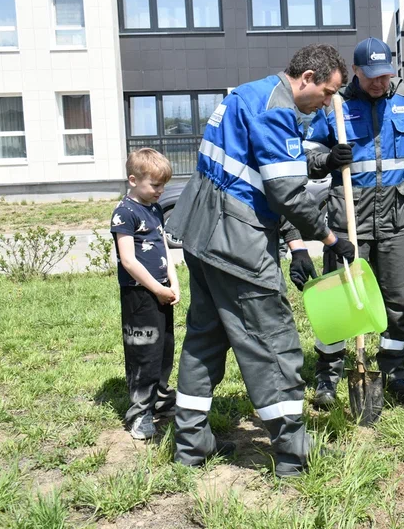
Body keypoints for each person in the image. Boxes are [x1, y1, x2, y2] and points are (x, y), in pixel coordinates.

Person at [166, 44, 357, 478]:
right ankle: (294, 450)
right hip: (237, 241)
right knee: (274, 341)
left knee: (205, 337)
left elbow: (265, 159)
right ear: (307, 77)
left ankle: (191, 444)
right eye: (327, 93)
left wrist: (321, 160)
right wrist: (330, 238)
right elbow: (285, 192)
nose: (327, 104)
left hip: (201, 231)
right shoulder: (277, 109)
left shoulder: (248, 95)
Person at [301, 37, 404, 408]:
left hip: (396, 218)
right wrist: (330, 159)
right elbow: (307, 155)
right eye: (371, 78)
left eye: (385, 76)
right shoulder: (334, 103)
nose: (379, 84)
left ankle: (394, 373)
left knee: (396, 301)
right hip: (348, 219)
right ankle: (328, 377)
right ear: (355, 71)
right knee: (342, 298)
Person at [110, 148, 179, 440]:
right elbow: (128, 260)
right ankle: (140, 413)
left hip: (162, 292)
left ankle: (160, 399)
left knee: (164, 349)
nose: (160, 191)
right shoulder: (124, 213)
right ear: (133, 180)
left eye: (163, 185)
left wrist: (173, 283)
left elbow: (164, 247)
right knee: (144, 352)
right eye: (155, 185)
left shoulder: (155, 208)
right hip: (140, 296)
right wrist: (157, 288)